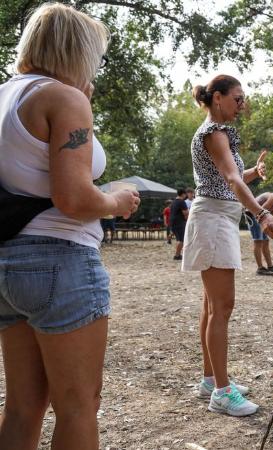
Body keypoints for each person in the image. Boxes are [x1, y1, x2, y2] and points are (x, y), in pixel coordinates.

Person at [0, 4, 141, 448]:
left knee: (23, 404)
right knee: (79, 405)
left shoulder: (7, 95)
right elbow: (75, 198)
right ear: (78, 52)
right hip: (59, 260)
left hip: (6, 260)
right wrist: (116, 201)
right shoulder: (63, 98)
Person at [184, 74, 273, 417]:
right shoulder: (213, 133)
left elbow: (232, 177)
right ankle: (222, 394)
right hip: (212, 220)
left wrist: (253, 172)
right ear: (217, 98)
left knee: (212, 307)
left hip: (218, 217)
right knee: (222, 307)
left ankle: (212, 380)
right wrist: (261, 214)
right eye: (237, 99)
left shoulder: (217, 133)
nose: (242, 105)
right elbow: (229, 179)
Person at [170, 188, 189, 260]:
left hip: (173, 222)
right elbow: (186, 213)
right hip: (179, 222)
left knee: (179, 239)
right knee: (181, 239)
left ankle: (178, 254)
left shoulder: (173, 202)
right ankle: (177, 255)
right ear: (183, 194)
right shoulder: (181, 202)